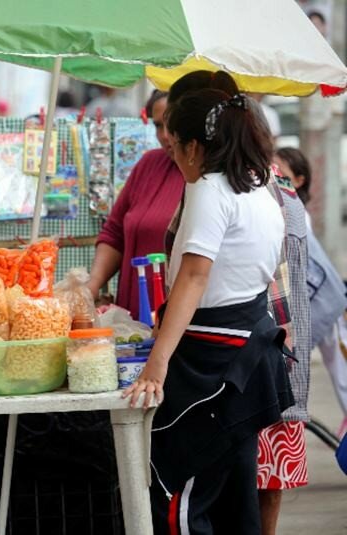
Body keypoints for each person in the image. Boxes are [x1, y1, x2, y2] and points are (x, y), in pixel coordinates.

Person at [124, 90, 293, 533]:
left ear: (194, 147)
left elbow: (195, 278)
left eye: (174, 144)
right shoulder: (260, 187)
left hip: (211, 361)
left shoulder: (209, 189)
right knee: (235, 495)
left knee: (179, 491)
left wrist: (156, 365)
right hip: (248, 350)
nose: (172, 155)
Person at [87, 89, 185, 317]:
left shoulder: (202, 176)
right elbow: (114, 233)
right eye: (157, 125)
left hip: (174, 315)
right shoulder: (149, 164)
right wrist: (92, 285)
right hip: (131, 309)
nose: (164, 135)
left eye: (170, 123)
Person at [275, 147, 347, 438]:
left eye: (282, 174)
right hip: (320, 300)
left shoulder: (294, 213)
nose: (274, 179)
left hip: (323, 301)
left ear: (299, 180)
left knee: (342, 377)